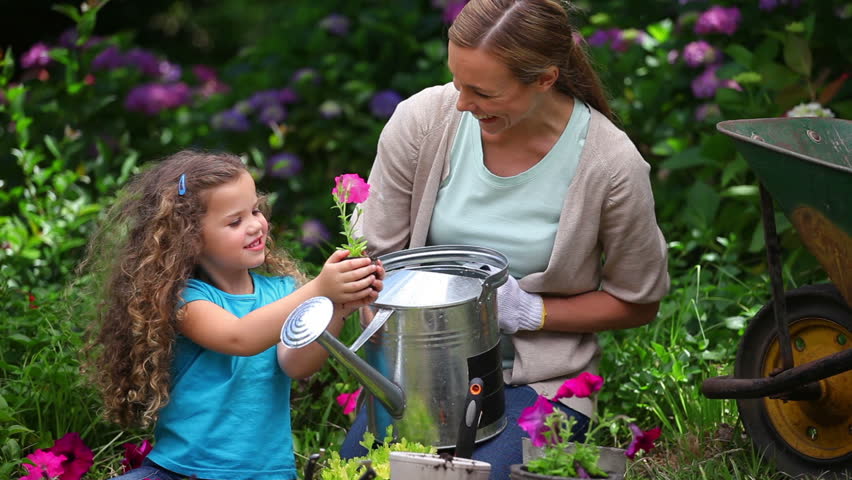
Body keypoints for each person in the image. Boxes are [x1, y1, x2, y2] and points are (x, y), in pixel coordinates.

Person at [339, 0, 669, 478]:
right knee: (362, 471)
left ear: (545, 79)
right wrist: (413, 371)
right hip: (419, 377)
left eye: (483, 92)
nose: (462, 104)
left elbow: (639, 303)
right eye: (457, 83)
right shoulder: (423, 122)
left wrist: (533, 313)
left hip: (536, 384)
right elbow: (377, 262)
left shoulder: (610, 165)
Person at [79, 150, 383, 480]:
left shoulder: (282, 291)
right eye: (235, 221)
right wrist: (318, 290)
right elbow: (238, 337)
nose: (255, 225)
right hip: (183, 472)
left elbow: (297, 364)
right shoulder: (187, 300)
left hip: (266, 474)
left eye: (255, 210)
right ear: (190, 239)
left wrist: (336, 307)